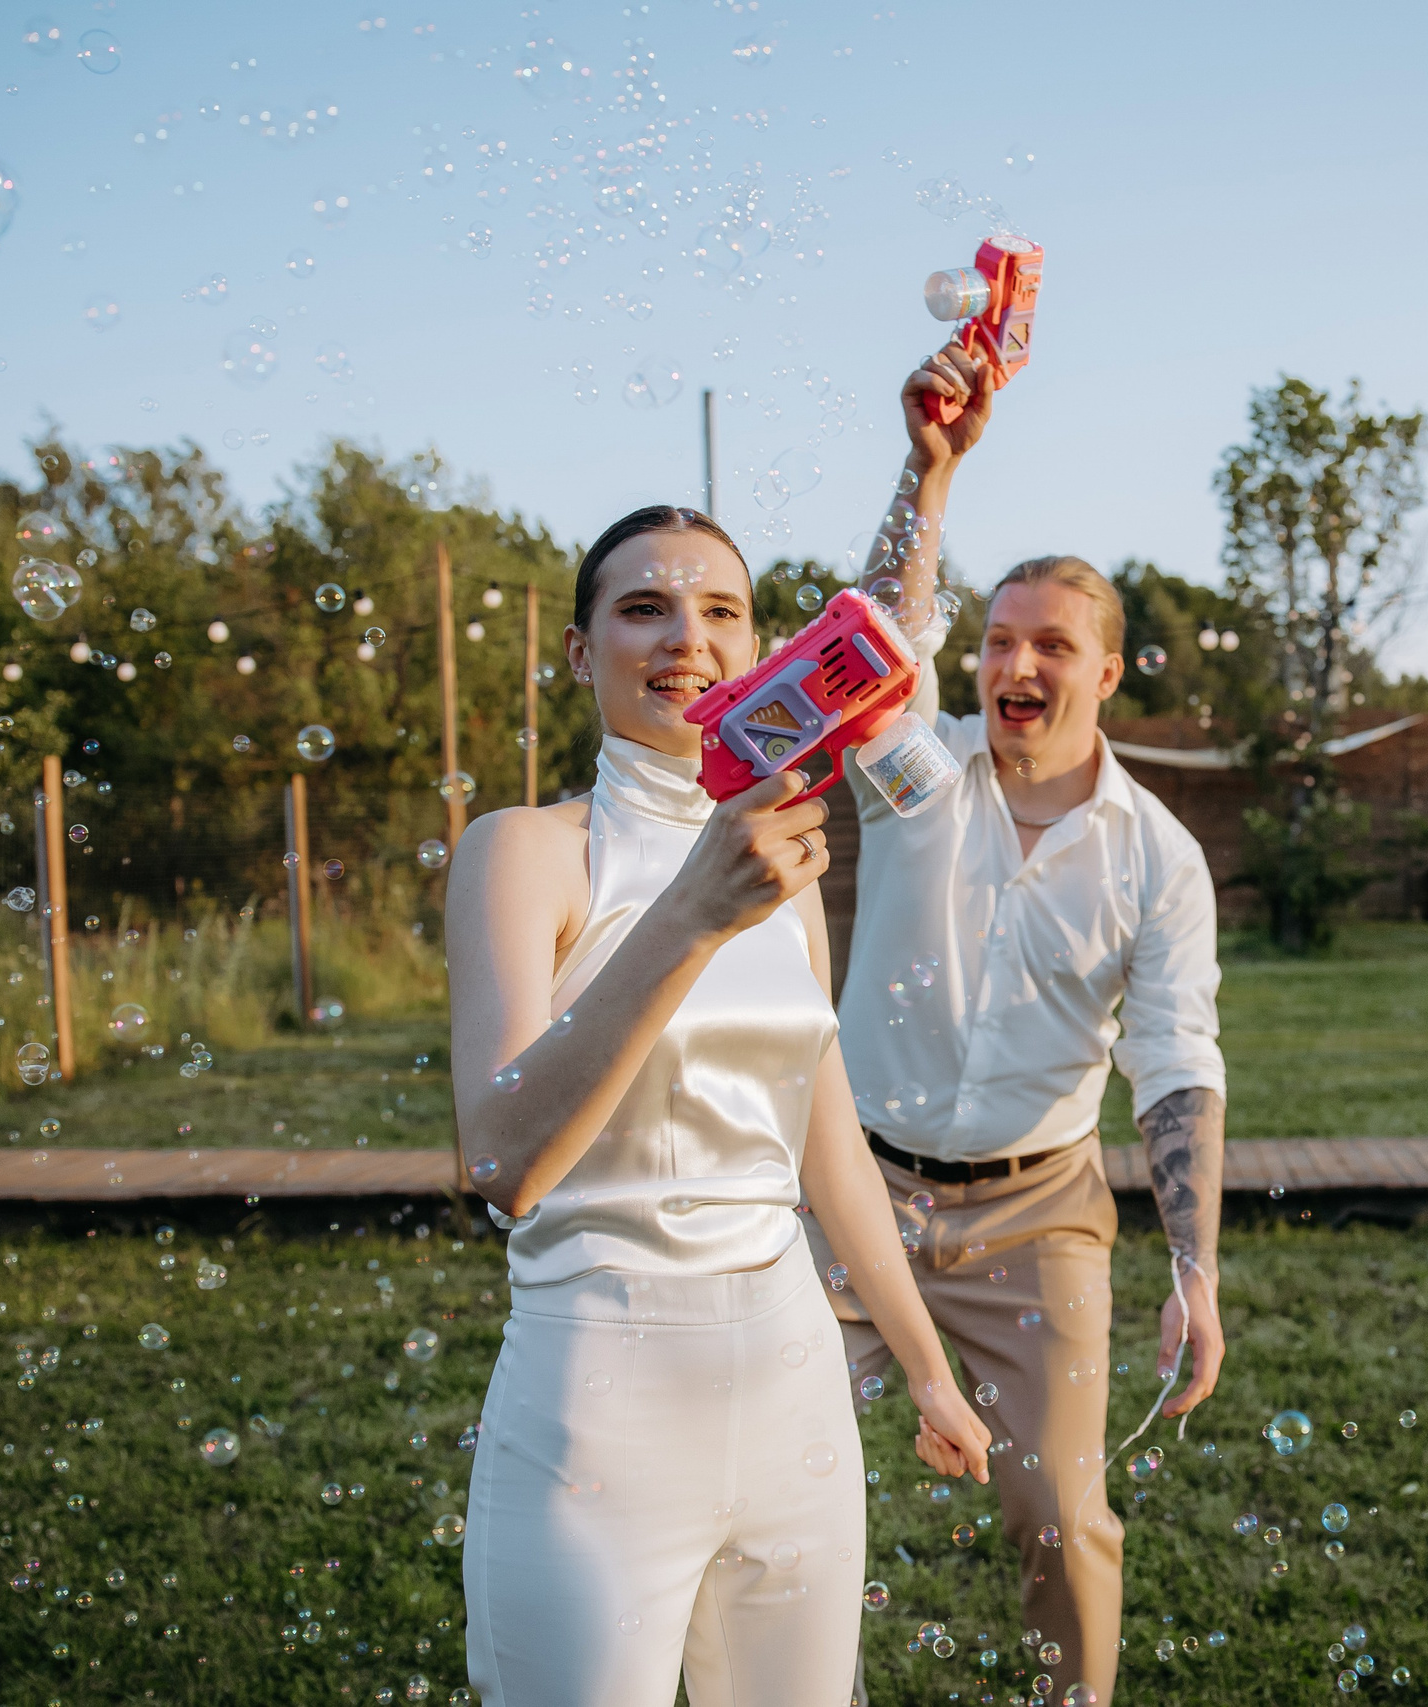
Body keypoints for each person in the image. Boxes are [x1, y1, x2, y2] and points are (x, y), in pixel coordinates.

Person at [445, 505, 992, 1707]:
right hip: (596, 1407)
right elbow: (499, 1162)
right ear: (584, 652)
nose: (685, 635)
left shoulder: (781, 864)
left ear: (757, 653)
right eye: (643, 606)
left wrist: (924, 1364)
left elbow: (827, 1144)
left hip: (792, 1384)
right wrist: (692, 910)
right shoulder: (526, 851)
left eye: (721, 611)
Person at [810, 346, 1230, 1707]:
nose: (1016, 662)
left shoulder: (1158, 859)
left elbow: (1174, 1065)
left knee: (1062, 1516)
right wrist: (932, 468)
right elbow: (877, 635)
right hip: (850, 1185)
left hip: (1037, 1210)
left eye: (1052, 643)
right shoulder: (917, 773)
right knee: (760, 1460)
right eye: (997, 639)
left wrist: (1195, 1268)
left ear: (1108, 671)